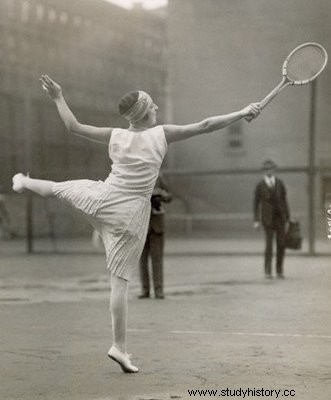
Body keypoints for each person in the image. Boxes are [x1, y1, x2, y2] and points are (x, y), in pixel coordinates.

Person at [12, 74, 261, 373]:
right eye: (152, 105)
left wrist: (57, 96)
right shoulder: (161, 134)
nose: (156, 107)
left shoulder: (116, 135)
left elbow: (72, 127)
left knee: (57, 188)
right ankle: (119, 347)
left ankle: (23, 181)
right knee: (119, 282)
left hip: (102, 199)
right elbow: (206, 125)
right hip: (129, 215)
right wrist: (242, 112)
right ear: (145, 112)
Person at [253, 159, 290, 279]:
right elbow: (256, 203)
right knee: (269, 246)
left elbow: (284, 201)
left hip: (280, 219)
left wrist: (288, 218)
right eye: (266, 169)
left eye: (271, 168)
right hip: (267, 219)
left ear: (274, 169)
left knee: (281, 244)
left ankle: (279, 271)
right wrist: (256, 220)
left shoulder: (280, 183)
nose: (269, 170)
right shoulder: (260, 185)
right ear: (264, 171)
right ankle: (268, 272)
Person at [139, 173, 172, 300]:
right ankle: (145, 290)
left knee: (157, 260)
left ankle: (159, 291)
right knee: (142, 261)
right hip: (141, 224)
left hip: (157, 225)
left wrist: (161, 195)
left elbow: (169, 196)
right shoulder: (137, 176)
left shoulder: (160, 177)